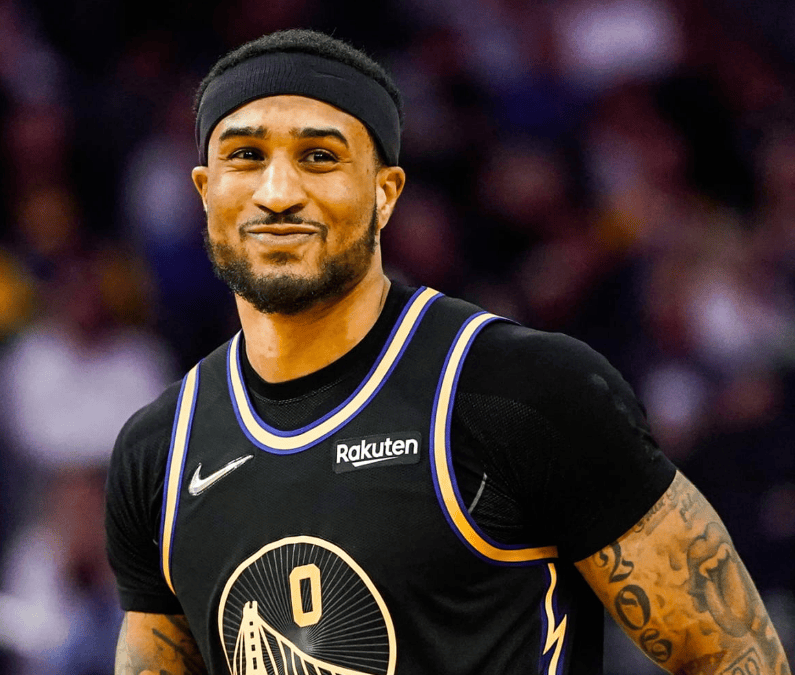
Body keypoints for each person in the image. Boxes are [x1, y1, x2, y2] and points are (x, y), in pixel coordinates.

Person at [105, 28, 792, 675]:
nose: (279, 192)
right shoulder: (157, 452)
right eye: (245, 156)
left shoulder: (522, 390)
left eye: (319, 156)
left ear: (385, 194)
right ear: (205, 192)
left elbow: (732, 652)